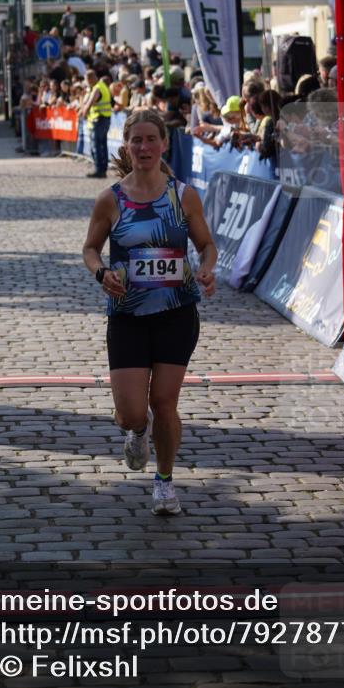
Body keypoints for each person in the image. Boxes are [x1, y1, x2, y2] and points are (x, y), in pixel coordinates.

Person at [82, 109, 217, 515]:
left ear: (163, 144)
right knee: (131, 411)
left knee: (164, 401)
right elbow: (90, 249)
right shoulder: (110, 199)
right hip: (127, 314)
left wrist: (207, 268)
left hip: (176, 311)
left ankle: (165, 483)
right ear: (126, 145)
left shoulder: (184, 195)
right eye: (136, 140)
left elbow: (206, 245)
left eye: (150, 140)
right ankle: (137, 432)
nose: (143, 147)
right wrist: (101, 272)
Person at [82, 68, 112, 179]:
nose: (86, 83)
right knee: (103, 144)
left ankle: (99, 170)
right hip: (105, 119)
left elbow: (90, 103)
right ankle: (102, 169)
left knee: (96, 145)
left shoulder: (97, 88)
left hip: (99, 119)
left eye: (86, 80)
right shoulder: (102, 85)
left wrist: (84, 113)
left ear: (90, 78)